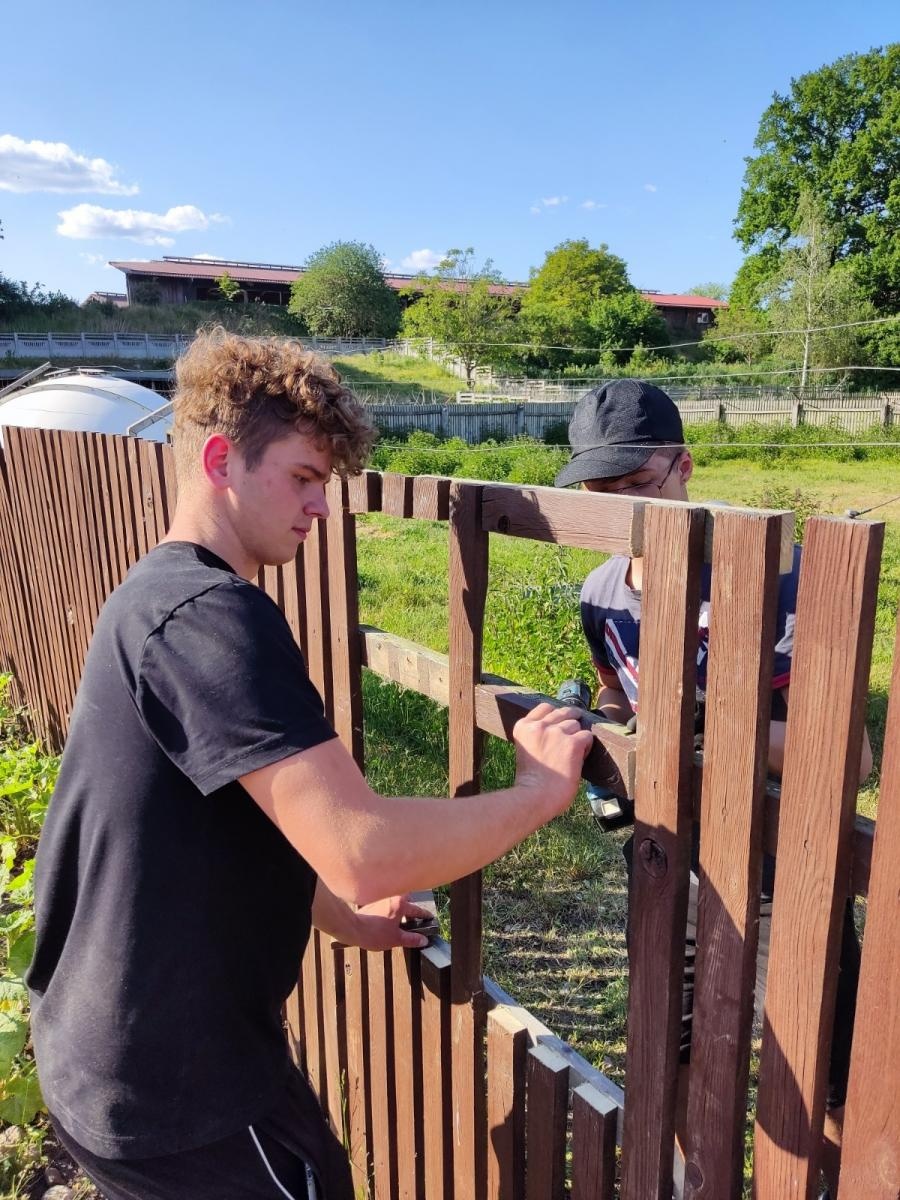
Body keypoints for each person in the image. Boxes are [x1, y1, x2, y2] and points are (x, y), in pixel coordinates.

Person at [26, 329, 593, 1200]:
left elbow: (239, 823)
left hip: (113, 1054)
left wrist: (347, 921)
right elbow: (360, 846)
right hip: (180, 1098)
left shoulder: (154, 597)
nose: (320, 507)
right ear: (221, 459)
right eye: (301, 477)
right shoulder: (212, 616)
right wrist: (538, 791)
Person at [554, 379, 868, 1193]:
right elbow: (619, 693)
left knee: (820, 1056)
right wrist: (604, 730)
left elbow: (850, 757)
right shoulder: (602, 594)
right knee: (682, 1043)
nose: (627, 513)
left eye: (637, 487)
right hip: (668, 856)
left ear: (684, 464)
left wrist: (711, 724)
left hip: (782, 864)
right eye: (602, 495)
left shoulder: (782, 585)